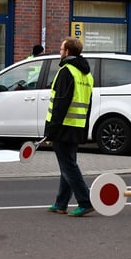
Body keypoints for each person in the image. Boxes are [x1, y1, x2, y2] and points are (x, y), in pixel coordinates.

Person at [44, 36, 95, 217]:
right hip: (77, 126)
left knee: (68, 166)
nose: (60, 52)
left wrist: (51, 130)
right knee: (68, 164)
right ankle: (61, 203)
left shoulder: (66, 71)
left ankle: (85, 201)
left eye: (61, 49)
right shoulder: (87, 74)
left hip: (63, 127)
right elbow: (88, 104)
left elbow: (60, 104)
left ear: (67, 52)